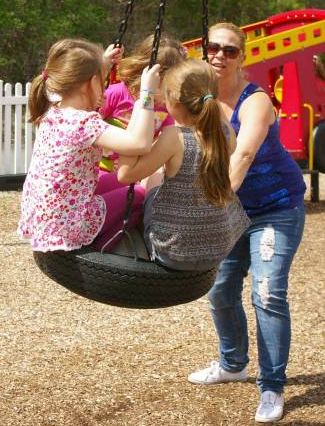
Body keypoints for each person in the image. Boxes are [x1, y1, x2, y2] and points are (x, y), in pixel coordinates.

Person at [187, 22, 307, 423]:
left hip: (275, 207)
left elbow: (242, 155)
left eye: (230, 50)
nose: (219, 55)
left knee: (268, 293)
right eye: (212, 48)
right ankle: (233, 362)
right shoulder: (199, 99)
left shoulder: (255, 102)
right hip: (230, 209)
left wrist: (208, 207)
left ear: (243, 57)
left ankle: (272, 386)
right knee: (219, 290)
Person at [17, 38, 160, 253]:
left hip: (45, 214)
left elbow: (82, 78)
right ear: (91, 82)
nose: (104, 87)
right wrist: (147, 95)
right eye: (102, 81)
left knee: (118, 182)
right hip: (66, 225)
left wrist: (102, 63)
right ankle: (100, 251)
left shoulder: (53, 111)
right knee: (138, 194)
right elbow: (138, 144)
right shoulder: (84, 123)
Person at [117, 58, 249, 270]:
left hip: (172, 253)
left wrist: (144, 101)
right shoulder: (225, 134)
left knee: (153, 178)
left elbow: (125, 175)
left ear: (174, 103)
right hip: (219, 249)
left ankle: (142, 241)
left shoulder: (174, 137)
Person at [98, 34, 186, 175]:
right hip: (98, 168)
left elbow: (169, 139)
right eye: (165, 83)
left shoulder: (165, 108)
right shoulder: (117, 93)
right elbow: (89, 124)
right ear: (144, 73)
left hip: (131, 172)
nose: (169, 90)